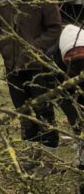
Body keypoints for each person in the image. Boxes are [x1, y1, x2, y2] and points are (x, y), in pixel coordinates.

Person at [0, 0, 62, 158]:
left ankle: (49, 155)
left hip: (37, 66)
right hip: (12, 65)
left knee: (43, 110)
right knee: (23, 112)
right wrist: (4, 45)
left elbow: (54, 29)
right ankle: (32, 154)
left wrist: (33, 47)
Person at [47, 23, 84, 192]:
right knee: (79, 126)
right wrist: (74, 118)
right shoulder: (52, 58)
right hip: (66, 88)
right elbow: (59, 94)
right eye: (75, 63)